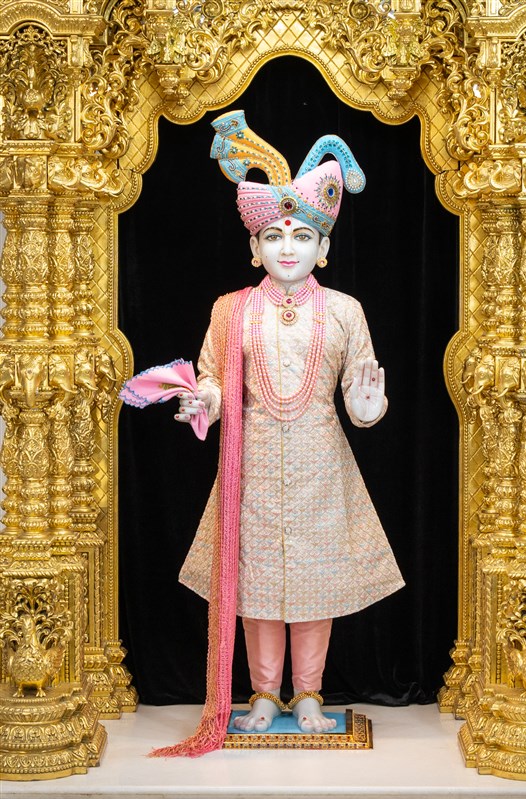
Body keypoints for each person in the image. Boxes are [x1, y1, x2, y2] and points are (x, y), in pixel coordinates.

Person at [160, 111, 404, 756]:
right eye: (273, 235)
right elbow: (214, 380)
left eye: (301, 235)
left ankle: (311, 693)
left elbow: (361, 398)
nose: (287, 247)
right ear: (254, 248)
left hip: (323, 464)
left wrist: (369, 404)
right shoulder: (230, 310)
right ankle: (264, 693)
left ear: (323, 247)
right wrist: (202, 400)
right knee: (257, 582)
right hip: (254, 464)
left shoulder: (345, 310)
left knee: (317, 581)